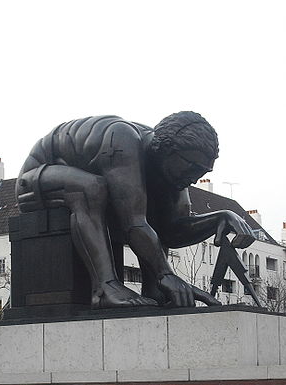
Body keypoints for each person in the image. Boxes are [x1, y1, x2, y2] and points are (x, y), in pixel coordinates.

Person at [15, 111, 255, 308]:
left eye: (202, 173)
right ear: (168, 151)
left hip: (78, 181)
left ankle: (155, 290)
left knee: (143, 204)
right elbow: (134, 224)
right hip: (35, 181)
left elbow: (171, 231)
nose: (193, 179)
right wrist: (166, 275)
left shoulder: (171, 170)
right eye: (192, 168)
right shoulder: (123, 140)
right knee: (90, 189)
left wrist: (220, 218)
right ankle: (105, 288)